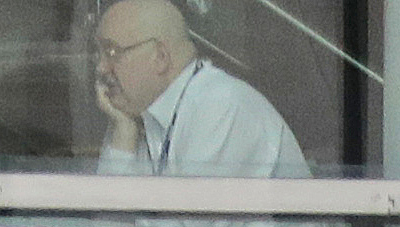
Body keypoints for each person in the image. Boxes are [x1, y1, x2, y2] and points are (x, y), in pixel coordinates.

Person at [93, 0, 308, 178]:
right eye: (99, 53)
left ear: (160, 57)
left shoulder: (219, 106)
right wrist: (123, 132)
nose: (101, 67)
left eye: (112, 52)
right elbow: (109, 213)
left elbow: (190, 215)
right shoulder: (134, 116)